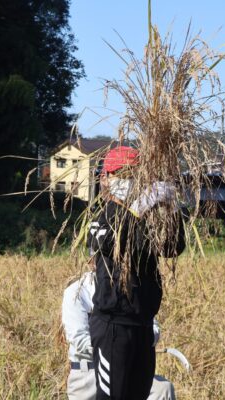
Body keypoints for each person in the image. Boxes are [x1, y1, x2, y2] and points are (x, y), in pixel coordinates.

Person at [88, 146, 186, 400]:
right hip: (114, 326)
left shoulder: (148, 223)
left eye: (134, 174)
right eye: (121, 174)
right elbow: (110, 242)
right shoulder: (103, 218)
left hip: (143, 325)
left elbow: (172, 248)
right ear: (105, 178)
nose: (128, 180)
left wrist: (172, 208)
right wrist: (138, 207)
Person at [62, 272, 176, 400]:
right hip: (88, 375)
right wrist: (117, 349)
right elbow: (79, 338)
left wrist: (139, 340)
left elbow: (152, 327)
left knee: (163, 390)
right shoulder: (76, 291)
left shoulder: (131, 287)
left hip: (127, 369)